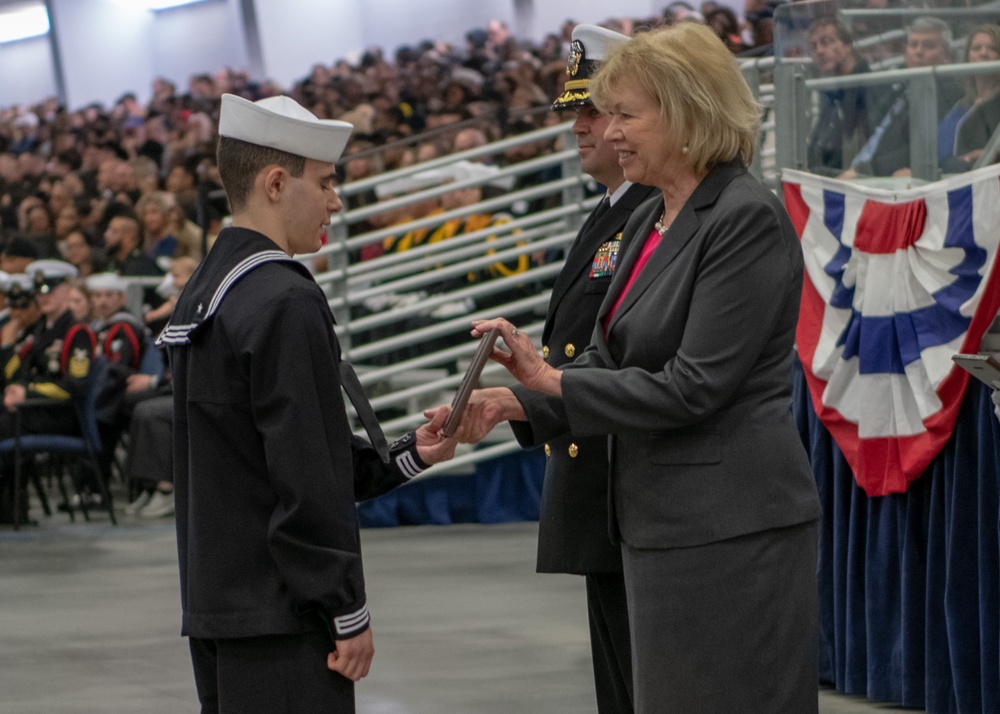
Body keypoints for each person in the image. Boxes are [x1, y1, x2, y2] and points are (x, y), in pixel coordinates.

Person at [445, 24, 821, 713]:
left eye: (625, 113)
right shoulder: (655, 218)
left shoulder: (743, 219)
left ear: (687, 112)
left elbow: (695, 385)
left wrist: (553, 381)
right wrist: (514, 401)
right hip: (661, 528)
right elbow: (606, 359)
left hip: (728, 533)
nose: (609, 132)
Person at [156, 93, 458, 714]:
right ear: (275, 183)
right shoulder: (282, 298)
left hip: (220, 606)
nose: (336, 200)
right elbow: (303, 473)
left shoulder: (206, 288)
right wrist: (344, 606)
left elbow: (259, 453)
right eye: (324, 182)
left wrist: (406, 455)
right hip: (284, 614)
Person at [526, 24, 656, 714]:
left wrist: (528, 401)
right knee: (620, 680)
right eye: (575, 111)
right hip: (592, 461)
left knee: (640, 681)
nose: (576, 126)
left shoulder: (650, 213)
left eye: (595, 110)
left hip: (620, 472)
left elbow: (618, 354)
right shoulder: (610, 212)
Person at [844, 17, 963, 177]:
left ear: (947, 55)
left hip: (891, 179)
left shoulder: (948, 93)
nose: (918, 51)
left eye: (928, 46)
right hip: (864, 171)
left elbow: (920, 146)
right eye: (913, 45)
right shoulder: (899, 87)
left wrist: (864, 170)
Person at [806, 17, 873, 175]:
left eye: (827, 41)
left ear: (847, 45)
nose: (819, 51)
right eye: (814, 46)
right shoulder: (832, 88)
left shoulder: (868, 86)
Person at [942, 24, 1000, 172]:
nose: (984, 53)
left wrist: (990, 154)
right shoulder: (959, 102)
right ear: (968, 55)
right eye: (976, 48)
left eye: (993, 49)